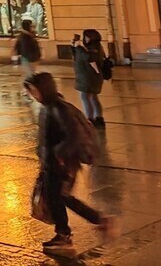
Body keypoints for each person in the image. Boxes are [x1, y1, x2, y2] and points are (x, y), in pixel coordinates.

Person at [24, 72, 116, 255]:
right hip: (54, 163)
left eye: (34, 90)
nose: (32, 95)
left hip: (61, 165)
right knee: (61, 198)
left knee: (57, 198)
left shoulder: (58, 109)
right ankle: (94, 223)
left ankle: (66, 236)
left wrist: (59, 154)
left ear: (44, 89)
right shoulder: (49, 107)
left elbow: (73, 135)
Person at [72, 29, 105, 126]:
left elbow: (88, 57)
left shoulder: (93, 49)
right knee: (94, 97)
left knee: (85, 97)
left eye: (86, 37)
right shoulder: (96, 47)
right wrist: (73, 47)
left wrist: (78, 48)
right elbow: (77, 57)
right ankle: (99, 118)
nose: (84, 39)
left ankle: (90, 119)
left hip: (88, 77)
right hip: (90, 77)